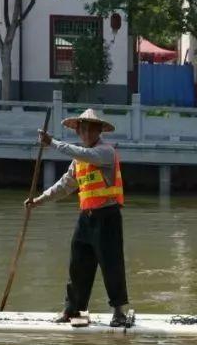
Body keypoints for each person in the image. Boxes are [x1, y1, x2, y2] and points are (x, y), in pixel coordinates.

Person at [25, 108, 131, 328]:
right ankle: (72, 307)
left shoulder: (105, 152)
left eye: (90, 129)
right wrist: (39, 200)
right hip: (87, 217)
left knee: (111, 264)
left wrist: (52, 143)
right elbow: (64, 185)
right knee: (78, 263)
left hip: (107, 217)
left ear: (99, 130)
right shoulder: (78, 161)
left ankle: (119, 311)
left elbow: (85, 154)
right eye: (82, 129)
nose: (86, 133)